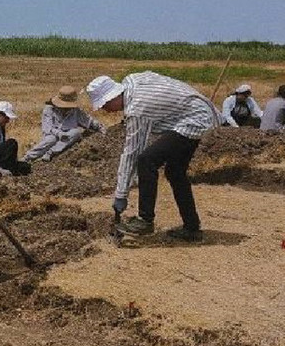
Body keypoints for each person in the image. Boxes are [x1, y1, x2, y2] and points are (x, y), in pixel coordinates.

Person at [85, 72, 220, 242]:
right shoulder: (131, 80)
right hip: (194, 111)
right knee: (175, 172)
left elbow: (132, 152)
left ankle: (145, 220)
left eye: (104, 105)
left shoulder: (137, 109)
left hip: (194, 120)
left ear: (112, 97)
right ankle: (192, 228)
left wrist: (121, 194)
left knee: (146, 160)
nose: (105, 110)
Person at [22, 85, 106, 162]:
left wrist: (100, 127)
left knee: (76, 132)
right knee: (51, 139)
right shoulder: (49, 110)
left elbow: (88, 121)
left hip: (68, 137)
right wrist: (59, 133)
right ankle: (27, 158)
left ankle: (50, 153)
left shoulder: (76, 111)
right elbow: (47, 128)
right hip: (52, 135)